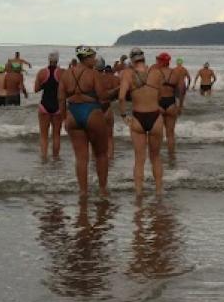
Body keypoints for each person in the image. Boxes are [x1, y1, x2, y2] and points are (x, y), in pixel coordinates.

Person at [61, 46, 114, 197]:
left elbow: (60, 98)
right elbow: (103, 97)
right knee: (101, 154)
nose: (95, 60)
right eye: (93, 57)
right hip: (92, 111)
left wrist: (65, 118)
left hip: (73, 113)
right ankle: (103, 189)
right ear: (87, 58)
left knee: (81, 157)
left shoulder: (66, 74)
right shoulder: (93, 74)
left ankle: (83, 191)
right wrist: (115, 92)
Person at [118, 48, 166, 198]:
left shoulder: (127, 74)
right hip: (155, 117)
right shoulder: (156, 72)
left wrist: (124, 115)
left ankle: (139, 193)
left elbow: (121, 97)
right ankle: (158, 192)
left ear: (132, 60)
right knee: (156, 157)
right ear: (144, 58)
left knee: (139, 159)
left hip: (138, 118)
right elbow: (160, 95)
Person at [34, 51, 66, 160]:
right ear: (57, 60)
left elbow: (36, 89)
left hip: (44, 105)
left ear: (48, 59)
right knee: (56, 135)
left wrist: (45, 85)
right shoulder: (62, 73)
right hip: (58, 106)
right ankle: (56, 158)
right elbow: (67, 90)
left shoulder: (42, 72)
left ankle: (44, 158)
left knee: (44, 135)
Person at [156, 52, 187, 154]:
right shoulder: (175, 73)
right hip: (171, 103)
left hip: (158, 104)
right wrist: (180, 106)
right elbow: (182, 90)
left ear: (161, 61)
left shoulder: (155, 73)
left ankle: (157, 158)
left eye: (159, 60)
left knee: (157, 134)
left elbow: (149, 90)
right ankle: (171, 156)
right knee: (170, 134)